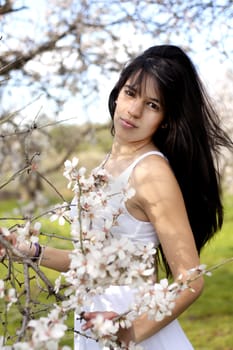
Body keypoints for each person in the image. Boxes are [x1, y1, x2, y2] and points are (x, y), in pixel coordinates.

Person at [1, 44, 232, 349]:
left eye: (152, 105)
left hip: (134, 328)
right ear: (118, 93)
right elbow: (93, 264)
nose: (134, 110)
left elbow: (191, 280)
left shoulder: (151, 173)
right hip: (96, 323)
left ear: (165, 118)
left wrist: (129, 330)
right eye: (131, 93)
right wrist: (29, 251)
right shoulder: (104, 167)